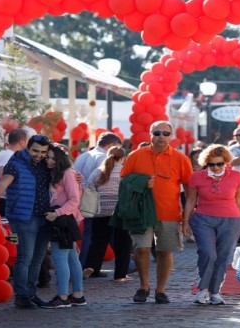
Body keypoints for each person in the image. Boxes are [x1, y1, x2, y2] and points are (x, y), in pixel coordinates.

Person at [120, 121, 193, 304]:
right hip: (141, 213)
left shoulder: (180, 158)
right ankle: (144, 287)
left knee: (164, 252)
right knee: (142, 249)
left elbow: (190, 188)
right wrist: (140, 182)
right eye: (157, 133)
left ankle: (160, 290)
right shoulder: (136, 156)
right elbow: (123, 182)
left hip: (169, 213)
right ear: (150, 134)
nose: (161, 136)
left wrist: (187, 217)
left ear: (171, 136)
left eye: (166, 133)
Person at [182, 144, 240, 305]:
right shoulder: (197, 176)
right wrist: (185, 221)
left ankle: (215, 291)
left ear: (226, 162)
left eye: (219, 164)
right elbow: (191, 200)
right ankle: (202, 290)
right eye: (211, 164)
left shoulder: (236, 176)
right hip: (202, 219)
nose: (215, 167)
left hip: (231, 220)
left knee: (223, 257)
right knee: (208, 253)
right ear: (206, 162)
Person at [0, 135, 52, 309]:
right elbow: (4, 182)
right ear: (27, 147)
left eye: (42, 152)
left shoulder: (46, 165)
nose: (39, 155)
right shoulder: (15, 163)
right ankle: (21, 295)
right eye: (35, 151)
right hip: (23, 217)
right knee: (25, 257)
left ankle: (31, 294)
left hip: (44, 217)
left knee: (38, 258)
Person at [42, 143, 85, 308]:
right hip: (63, 219)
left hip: (64, 221)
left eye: (53, 157)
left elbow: (74, 200)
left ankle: (63, 296)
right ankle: (78, 295)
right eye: (48, 157)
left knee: (60, 259)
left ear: (61, 158)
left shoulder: (67, 173)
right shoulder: (57, 173)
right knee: (72, 258)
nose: (49, 161)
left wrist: (56, 214)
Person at [73, 132, 122, 274]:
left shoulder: (84, 155)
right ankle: (85, 266)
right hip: (97, 201)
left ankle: (88, 266)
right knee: (94, 234)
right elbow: (107, 181)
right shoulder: (103, 157)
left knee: (91, 234)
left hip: (82, 198)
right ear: (111, 145)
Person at [83, 147, 133, 282]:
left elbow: (89, 187)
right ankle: (120, 275)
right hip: (120, 212)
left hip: (100, 211)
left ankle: (91, 267)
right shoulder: (125, 171)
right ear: (122, 158)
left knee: (98, 241)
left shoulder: (99, 171)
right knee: (123, 243)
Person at [0, 128, 30, 217]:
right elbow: (2, 176)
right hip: (4, 200)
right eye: (28, 140)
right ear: (22, 142)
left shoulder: (7, 154)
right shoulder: (8, 155)